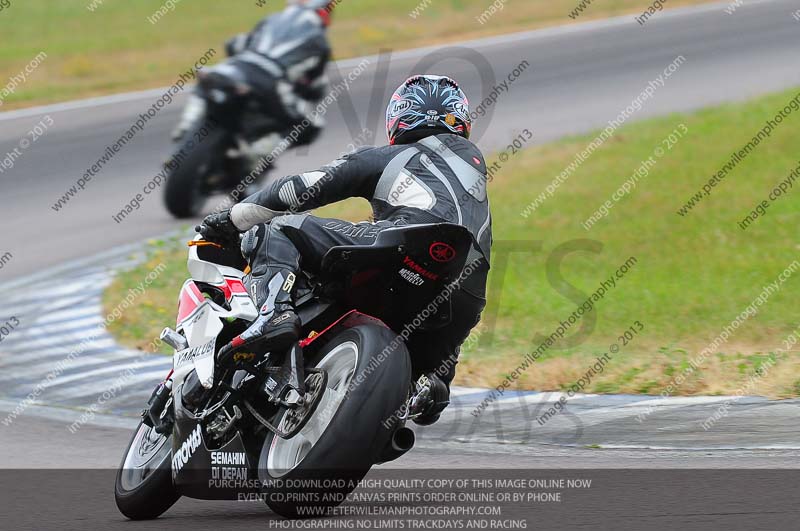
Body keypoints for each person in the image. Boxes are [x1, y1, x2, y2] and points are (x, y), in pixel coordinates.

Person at [198, 75, 492, 425]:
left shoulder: (397, 155)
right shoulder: (476, 183)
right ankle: (426, 387)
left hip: (402, 246)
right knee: (424, 384)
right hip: (464, 294)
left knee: (278, 229)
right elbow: (465, 278)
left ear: (400, 117)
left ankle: (274, 311)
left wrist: (230, 219)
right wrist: (442, 373)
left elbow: (302, 188)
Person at [174, 0, 335, 170]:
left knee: (208, 79)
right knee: (311, 125)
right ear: (323, 14)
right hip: (269, 82)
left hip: (235, 68)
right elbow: (315, 88)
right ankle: (255, 155)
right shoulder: (320, 42)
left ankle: (185, 126)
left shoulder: (271, 20)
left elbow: (234, 44)